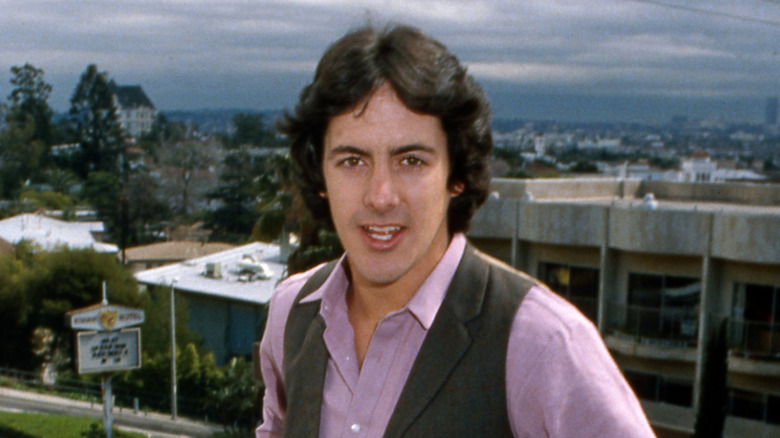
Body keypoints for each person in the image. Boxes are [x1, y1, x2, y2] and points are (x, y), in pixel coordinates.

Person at [256, 24, 656, 438]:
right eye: (352, 161)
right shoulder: (292, 313)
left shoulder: (540, 343)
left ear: (456, 175)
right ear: (320, 173)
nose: (380, 196)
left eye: (411, 161)